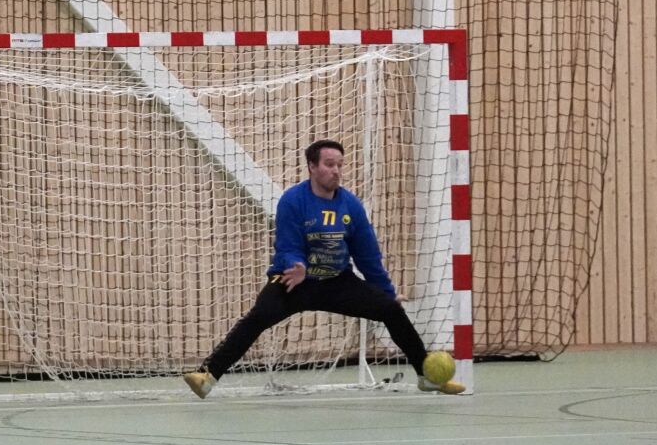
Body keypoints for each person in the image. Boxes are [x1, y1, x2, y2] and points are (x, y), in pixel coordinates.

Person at [184, 139, 465, 398]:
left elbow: (368, 256)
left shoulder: (351, 206)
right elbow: (288, 245)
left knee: (391, 310)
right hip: (295, 280)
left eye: (340, 165)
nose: (336, 171)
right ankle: (207, 375)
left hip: (337, 282)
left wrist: (386, 292)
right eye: (330, 164)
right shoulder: (293, 201)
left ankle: (427, 377)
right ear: (312, 167)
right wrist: (299, 266)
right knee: (259, 316)